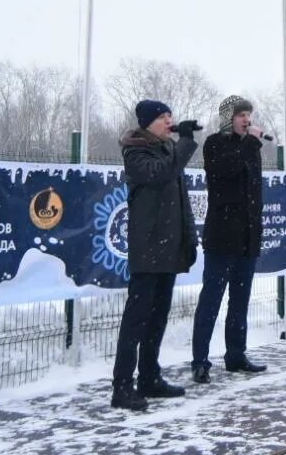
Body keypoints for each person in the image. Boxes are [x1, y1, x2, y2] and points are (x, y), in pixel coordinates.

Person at [111, 100, 201, 412]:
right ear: (148, 123)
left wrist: (188, 238)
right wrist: (186, 143)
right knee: (137, 320)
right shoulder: (136, 150)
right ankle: (122, 386)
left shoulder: (166, 150)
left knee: (158, 318)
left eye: (170, 116)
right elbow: (161, 174)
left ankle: (149, 376)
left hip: (168, 247)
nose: (169, 122)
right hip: (148, 247)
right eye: (164, 118)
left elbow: (180, 200)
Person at [192, 95, 267, 383]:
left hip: (247, 237)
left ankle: (236, 354)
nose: (246, 120)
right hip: (222, 236)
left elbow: (255, 189)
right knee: (211, 300)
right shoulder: (214, 144)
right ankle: (200, 360)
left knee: (240, 300)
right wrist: (250, 144)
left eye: (248, 114)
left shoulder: (251, 148)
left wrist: (256, 226)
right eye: (241, 115)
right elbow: (227, 172)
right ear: (228, 118)